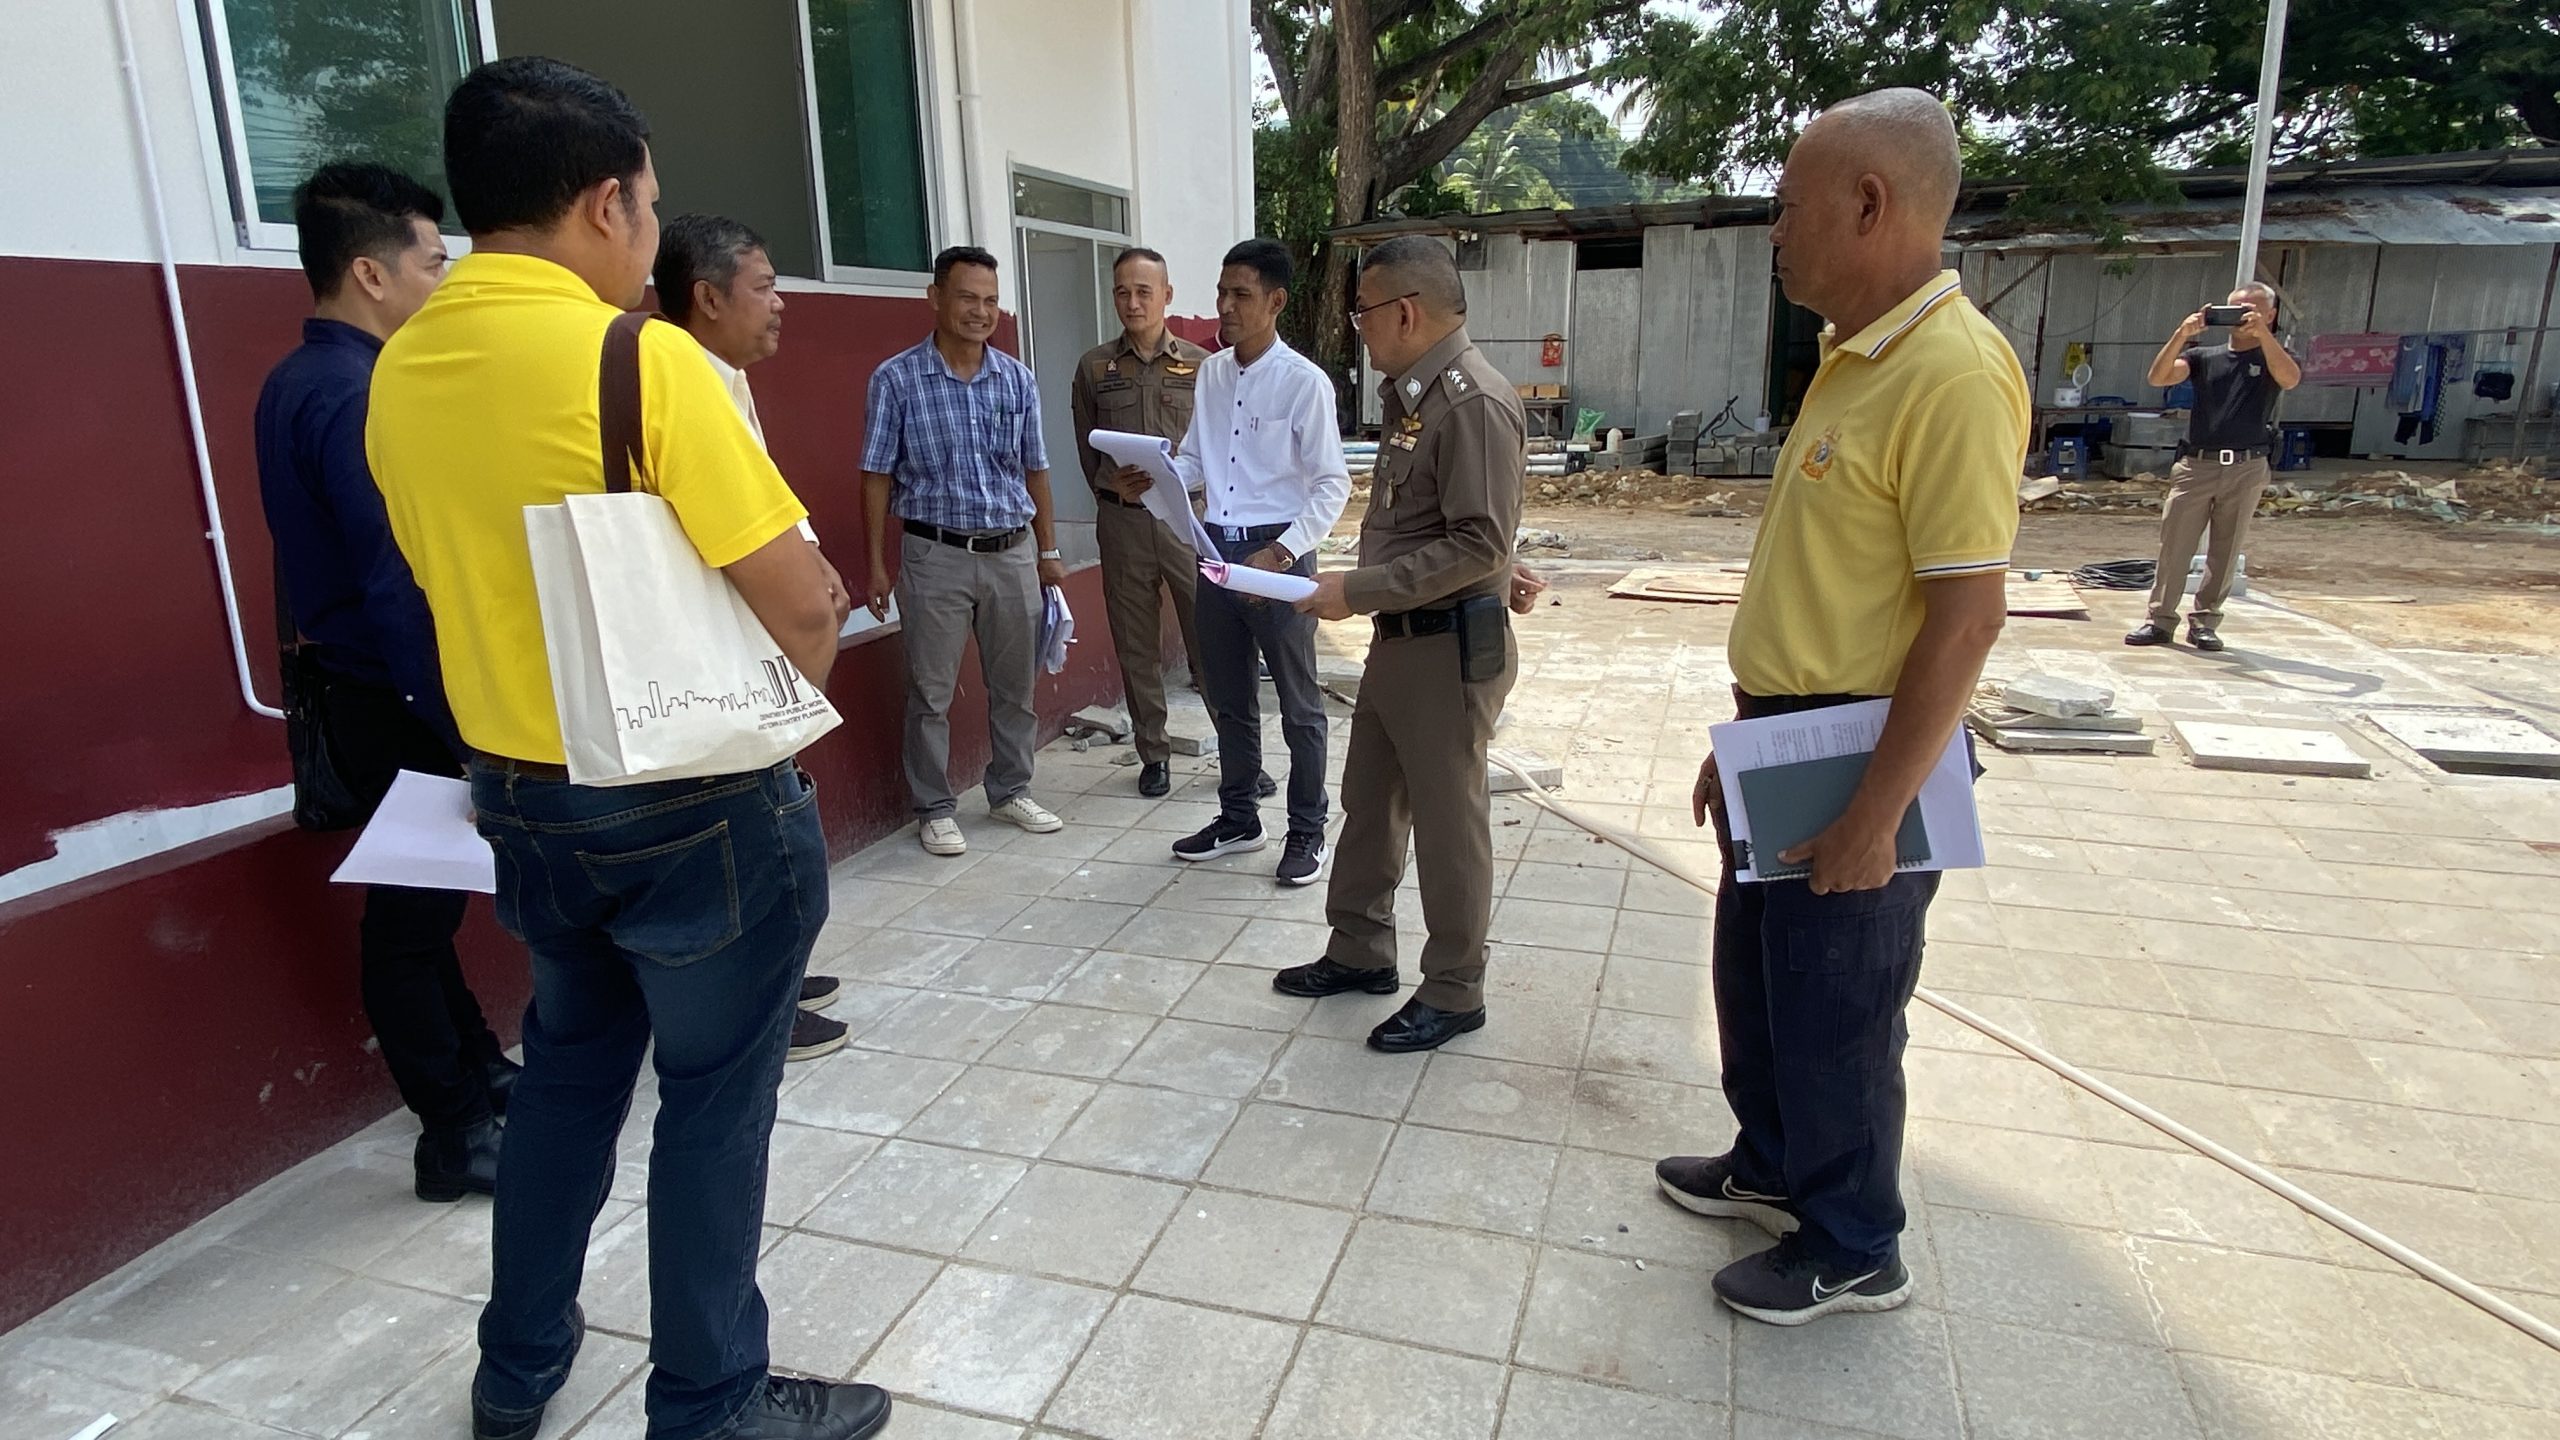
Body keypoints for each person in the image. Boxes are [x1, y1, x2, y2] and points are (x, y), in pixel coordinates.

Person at [368, 58, 884, 1440]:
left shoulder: (401, 367)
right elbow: (801, 603)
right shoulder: (639, 358)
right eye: (649, 207)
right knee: (714, 1107)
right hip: (690, 799)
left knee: (567, 1078)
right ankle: (709, 1405)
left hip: (522, 800)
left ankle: (516, 1370)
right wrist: (779, 721)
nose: (652, 236)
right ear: (605, 203)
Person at [1654, 88, 2024, 1328]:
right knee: (1761, 985)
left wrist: (1876, 812)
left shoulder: (1950, 373)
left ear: (1869, 205)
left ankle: (1856, 1242)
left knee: (1841, 1010)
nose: (1774, 230)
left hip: (1860, 748)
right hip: (1786, 733)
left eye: (1788, 205)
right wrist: (1745, 740)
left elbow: (1965, 621)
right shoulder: (1852, 357)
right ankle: (1772, 1166)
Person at [254, 161, 516, 1204]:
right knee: (407, 928)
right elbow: (394, 581)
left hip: (360, 690)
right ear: (369, 272)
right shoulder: (361, 394)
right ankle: (450, 1134)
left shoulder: (295, 381)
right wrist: (462, 730)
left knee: (423, 907)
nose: (442, 280)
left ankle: (477, 1071)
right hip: (397, 695)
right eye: (432, 262)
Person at [1283, 235, 1524, 1053]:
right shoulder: (1416, 397)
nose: (1359, 327)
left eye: (1363, 312)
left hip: (1447, 649)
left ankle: (1455, 989)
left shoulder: (1471, 400)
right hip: (1402, 639)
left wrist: (1356, 590)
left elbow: (1479, 542)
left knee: (1449, 827)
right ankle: (1360, 949)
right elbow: (1452, 523)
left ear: (1406, 312)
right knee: (1370, 802)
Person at [654, 212, 850, 1066]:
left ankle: (775, 980)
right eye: (765, 287)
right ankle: (758, 1010)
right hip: (723, 667)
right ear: (708, 297)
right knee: (755, 843)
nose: (780, 304)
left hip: (753, 644)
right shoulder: (672, 380)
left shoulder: (721, 377)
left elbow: (761, 501)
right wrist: (798, 699)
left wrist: (812, 558)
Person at [860, 246, 1068, 857]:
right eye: (968, 298)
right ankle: (934, 807)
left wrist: (1048, 551)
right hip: (935, 555)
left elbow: (1036, 470)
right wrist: (876, 566)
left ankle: (1010, 790)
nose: (981, 312)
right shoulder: (896, 380)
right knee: (930, 691)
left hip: (1011, 553)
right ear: (935, 298)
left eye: (991, 301)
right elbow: (875, 475)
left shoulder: (1017, 379)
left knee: (1015, 686)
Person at [1167, 239, 1351, 886]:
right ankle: (1240, 819)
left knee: (1299, 704)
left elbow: (1331, 484)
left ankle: (1307, 831)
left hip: (1280, 551)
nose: (1225, 305)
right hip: (1217, 548)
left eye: (1240, 294)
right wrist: (1156, 472)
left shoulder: (1303, 382)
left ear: (1276, 302)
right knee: (1229, 695)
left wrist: (1283, 551)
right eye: (1222, 292)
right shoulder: (1213, 374)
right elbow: (1197, 458)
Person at [1069, 247, 1210, 799]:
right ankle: (1154, 754)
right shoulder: (1095, 367)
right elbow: (1087, 448)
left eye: (1144, 292)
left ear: (1167, 296)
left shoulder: (1202, 365)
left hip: (1186, 521)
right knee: (1136, 645)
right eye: (1122, 292)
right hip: (1124, 524)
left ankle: (1238, 750)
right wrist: (1109, 487)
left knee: (1212, 639)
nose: (1132, 302)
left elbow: (1219, 447)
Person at [2126, 282, 2301, 651]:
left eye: (2250, 310)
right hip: (2198, 464)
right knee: (2175, 545)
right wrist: (2181, 334)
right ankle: (2159, 620)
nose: (2241, 317)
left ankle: (2205, 621)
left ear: (2270, 315)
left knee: (2226, 548)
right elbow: (2159, 377)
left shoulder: (2274, 357)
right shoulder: (2204, 357)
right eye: (2235, 309)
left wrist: (2264, 336)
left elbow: (2290, 379)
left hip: (2246, 465)